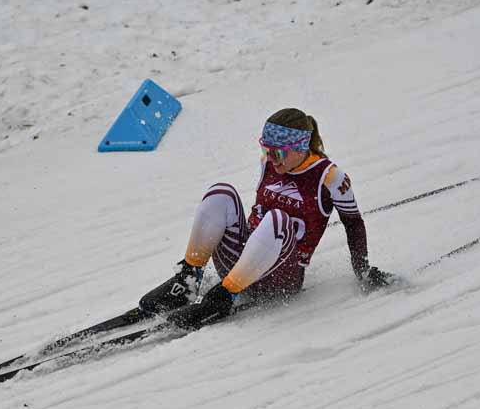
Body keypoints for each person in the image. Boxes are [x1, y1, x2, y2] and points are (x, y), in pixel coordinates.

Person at [140, 108, 393, 329]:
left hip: (281, 278)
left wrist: (363, 271)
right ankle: (187, 280)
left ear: (300, 147)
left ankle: (223, 297)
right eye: (266, 149)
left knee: (277, 219)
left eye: (278, 153)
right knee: (221, 193)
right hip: (240, 263)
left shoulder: (329, 176)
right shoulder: (268, 164)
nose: (271, 158)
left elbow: (353, 223)